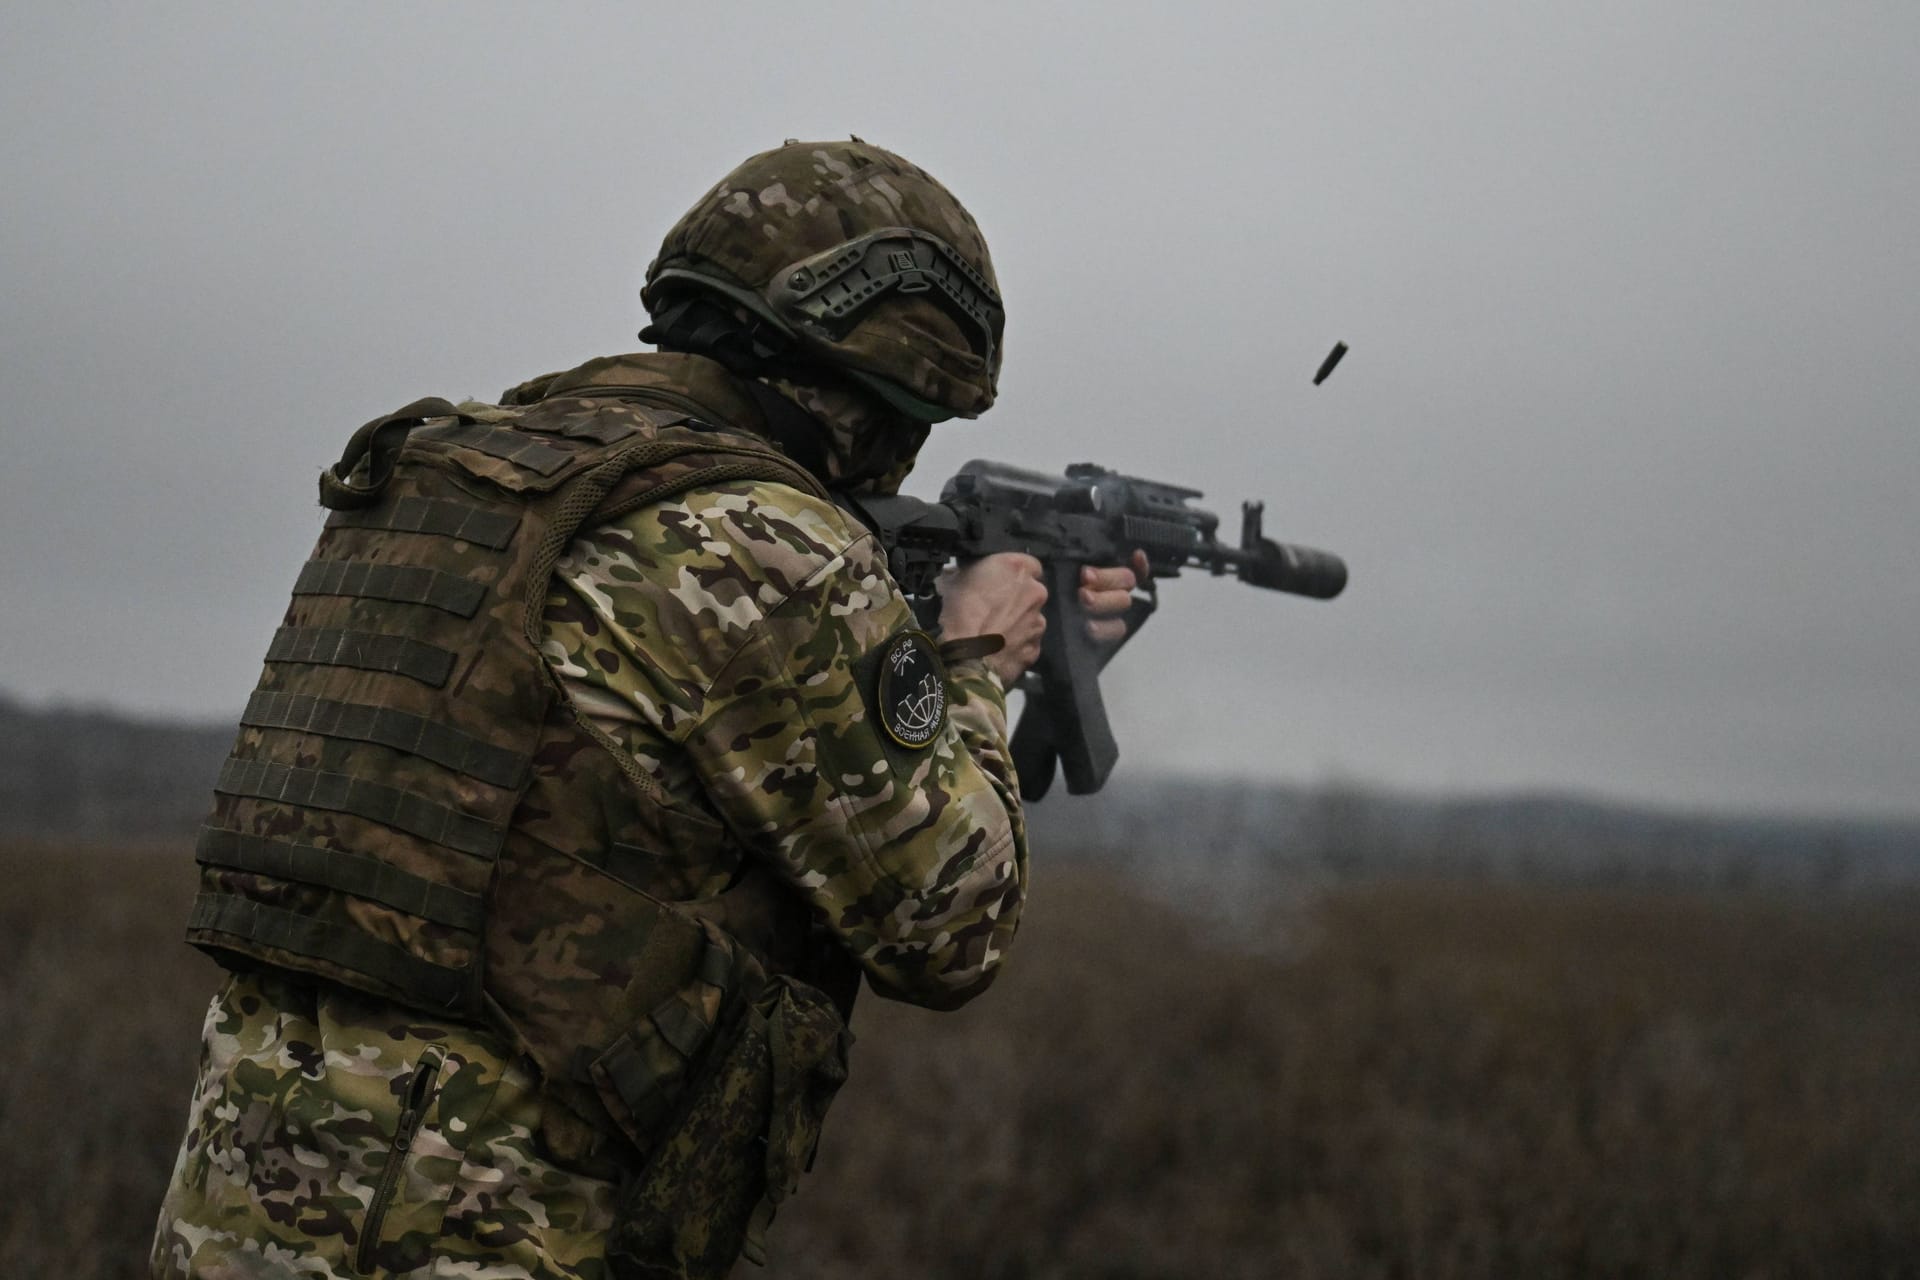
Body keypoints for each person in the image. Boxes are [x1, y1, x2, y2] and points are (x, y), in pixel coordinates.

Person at [150, 138, 1144, 1280]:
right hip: (485, 1229)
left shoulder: (445, 467)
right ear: (878, 388)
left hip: (238, 1202)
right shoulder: (760, 540)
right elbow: (951, 926)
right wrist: (972, 655)